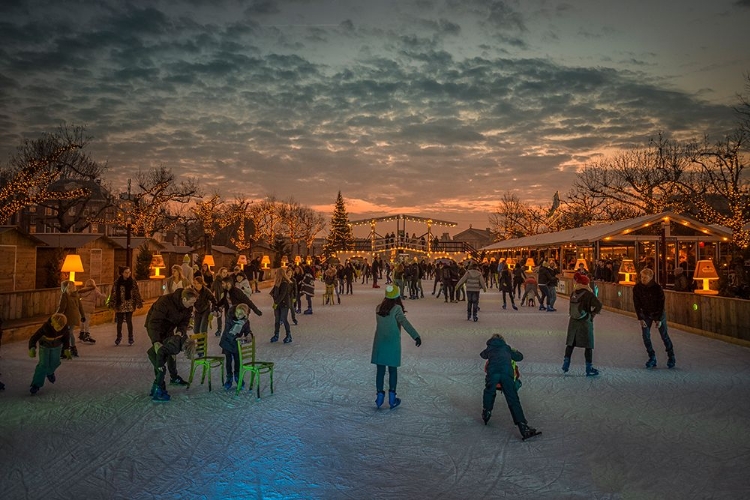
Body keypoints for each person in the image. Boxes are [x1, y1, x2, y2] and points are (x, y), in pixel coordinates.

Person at [480, 333, 540, 440]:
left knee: (489, 392)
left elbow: (482, 355)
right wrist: (515, 351)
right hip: (506, 373)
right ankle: (523, 426)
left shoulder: (489, 348)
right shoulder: (506, 348)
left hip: (493, 373)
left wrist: (489, 352)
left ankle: (486, 412)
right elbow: (519, 357)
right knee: (513, 399)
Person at [370, 285, 422, 409]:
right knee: (392, 371)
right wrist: (416, 336)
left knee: (380, 371)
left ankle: (379, 397)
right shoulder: (396, 309)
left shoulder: (378, 308)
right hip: (392, 344)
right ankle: (392, 398)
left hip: (380, 344)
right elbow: (405, 323)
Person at [145, 287, 199, 400]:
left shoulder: (188, 307)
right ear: (184, 299)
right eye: (191, 302)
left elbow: (185, 321)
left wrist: (180, 331)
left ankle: (174, 377)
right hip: (155, 327)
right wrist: (156, 341)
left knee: (172, 353)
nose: (193, 305)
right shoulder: (165, 302)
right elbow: (154, 322)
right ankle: (159, 385)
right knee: (159, 354)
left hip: (169, 327)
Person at [633, 268, 676, 369]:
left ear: (651, 278)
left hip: (658, 313)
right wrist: (640, 318)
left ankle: (671, 356)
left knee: (664, 335)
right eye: (642, 277)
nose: (643, 279)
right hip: (645, 314)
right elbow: (637, 304)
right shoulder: (637, 288)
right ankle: (652, 357)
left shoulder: (657, 288)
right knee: (646, 336)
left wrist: (659, 319)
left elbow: (661, 304)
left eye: (645, 277)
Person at [562, 273, 603, 376]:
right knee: (588, 345)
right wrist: (592, 314)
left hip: (573, 321)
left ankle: (566, 364)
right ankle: (589, 368)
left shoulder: (573, 293)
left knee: (570, 343)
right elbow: (598, 305)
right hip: (585, 321)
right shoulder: (589, 294)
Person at [28, 313, 71, 395]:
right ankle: (36, 384)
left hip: (57, 347)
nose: (59, 329)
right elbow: (34, 338)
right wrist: (32, 347)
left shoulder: (64, 328)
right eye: (57, 327)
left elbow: (66, 338)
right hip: (45, 347)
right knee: (43, 365)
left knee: (55, 363)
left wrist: (66, 349)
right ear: (52, 323)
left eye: (61, 327)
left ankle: (50, 372)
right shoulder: (46, 328)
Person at [219, 303, 249, 390]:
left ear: (245, 314)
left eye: (241, 314)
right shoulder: (230, 319)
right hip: (227, 342)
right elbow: (228, 332)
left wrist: (249, 335)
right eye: (237, 313)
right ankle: (229, 378)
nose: (238, 316)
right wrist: (237, 338)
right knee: (228, 361)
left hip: (236, 344)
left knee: (237, 361)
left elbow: (247, 330)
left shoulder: (245, 321)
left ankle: (238, 376)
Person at [111, 266, 143, 346]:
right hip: (120, 304)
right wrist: (113, 303)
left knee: (129, 321)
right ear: (122, 273)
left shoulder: (132, 282)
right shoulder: (117, 282)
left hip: (129, 304)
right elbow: (114, 293)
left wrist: (138, 302)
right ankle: (119, 337)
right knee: (119, 322)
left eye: (129, 272)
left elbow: (136, 292)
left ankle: (130, 337)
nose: (128, 274)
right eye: (126, 272)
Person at [56, 280, 85, 358]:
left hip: (67, 317)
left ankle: (64, 350)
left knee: (64, 334)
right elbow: (80, 306)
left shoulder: (65, 295)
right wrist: (83, 316)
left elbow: (62, 307)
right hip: (75, 316)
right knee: (70, 332)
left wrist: (56, 316)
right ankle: (73, 348)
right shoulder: (76, 294)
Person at [77, 279, 105, 344]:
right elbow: (100, 296)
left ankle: (81, 333)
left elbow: (78, 297)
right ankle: (87, 334)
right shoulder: (95, 290)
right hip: (89, 308)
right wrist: (105, 296)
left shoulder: (83, 290)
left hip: (81, 307)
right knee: (87, 321)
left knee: (82, 320)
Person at [270, 268, 294, 343]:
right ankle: (276, 335)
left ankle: (288, 335)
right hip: (278, 304)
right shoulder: (277, 283)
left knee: (284, 319)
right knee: (277, 320)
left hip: (284, 304)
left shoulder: (284, 283)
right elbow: (273, 292)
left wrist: (276, 302)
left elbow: (282, 294)